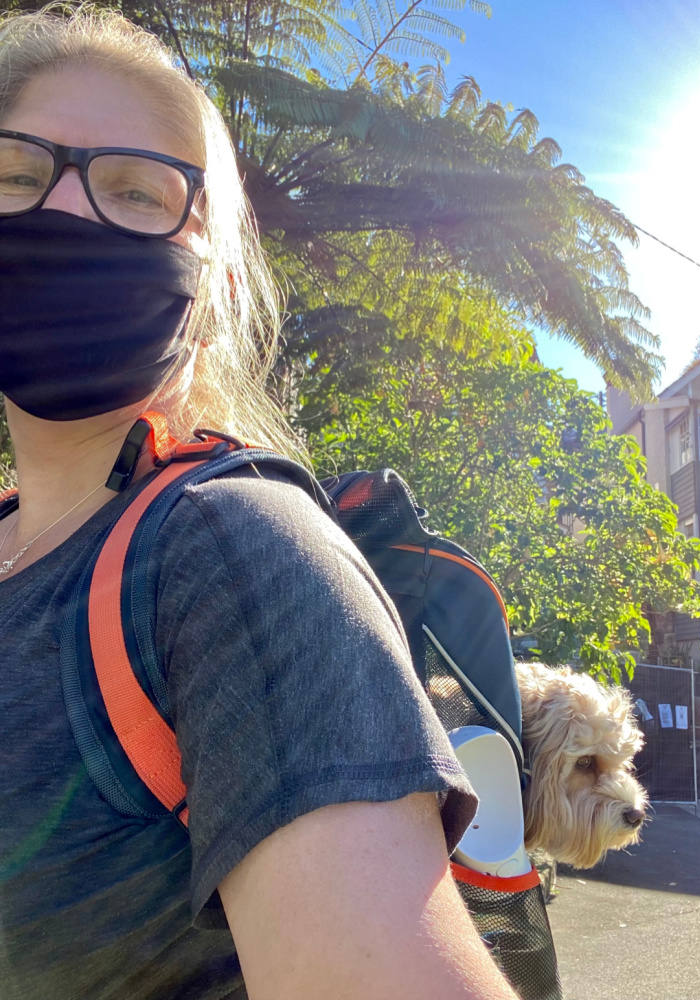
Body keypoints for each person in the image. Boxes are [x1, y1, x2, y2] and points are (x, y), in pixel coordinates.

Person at [0, 8, 520, 999]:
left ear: (212, 277)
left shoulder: (231, 551)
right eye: (18, 175)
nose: (65, 214)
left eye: (134, 190)